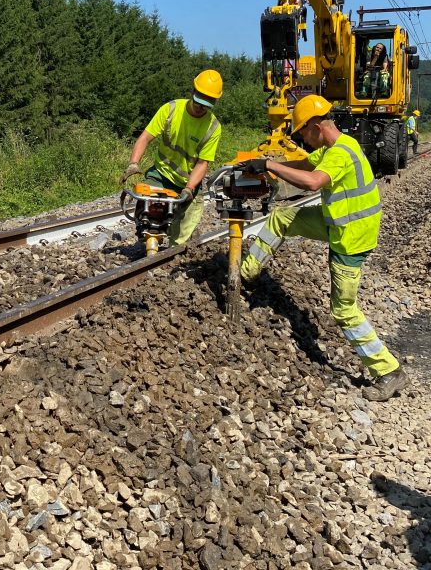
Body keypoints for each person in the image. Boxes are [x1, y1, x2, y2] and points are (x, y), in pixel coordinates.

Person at [239, 95, 408, 401]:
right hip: (339, 223)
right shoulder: (337, 146)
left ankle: (388, 371)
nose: (302, 138)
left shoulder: (340, 155)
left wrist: (268, 164)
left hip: (350, 236)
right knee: (284, 216)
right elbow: (305, 163)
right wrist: (269, 166)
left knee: (343, 309)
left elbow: (313, 182)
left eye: (303, 132)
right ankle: (247, 273)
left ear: (316, 126)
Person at [122, 69, 223, 247]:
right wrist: (133, 163)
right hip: (161, 174)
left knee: (180, 237)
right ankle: (147, 236)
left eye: (206, 104)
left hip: (188, 182)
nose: (201, 107)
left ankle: (172, 256)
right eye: (199, 101)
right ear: (193, 92)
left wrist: (190, 188)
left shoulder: (213, 127)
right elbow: (145, 137)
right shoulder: (171, 109)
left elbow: (202, 163)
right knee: (146, 206)